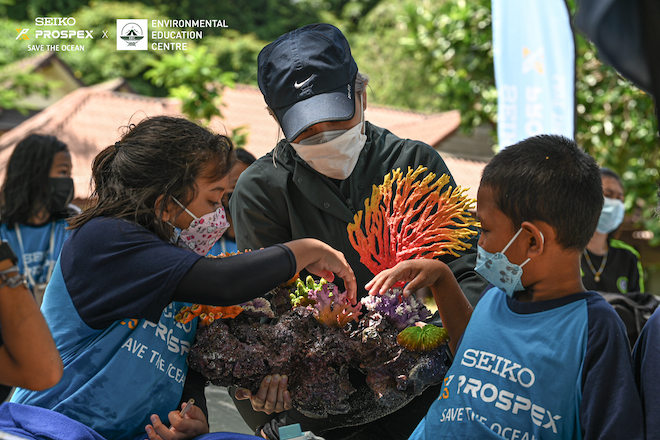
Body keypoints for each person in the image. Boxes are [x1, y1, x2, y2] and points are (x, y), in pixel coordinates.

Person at [9, 116, 357, 440]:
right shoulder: (104, 240)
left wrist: (193, 418)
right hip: (52, 425)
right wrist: (305, 250)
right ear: (165, 202)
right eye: (212, 199)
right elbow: (224, 283)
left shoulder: (183, 265)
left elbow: (184, 365)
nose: (220, 215)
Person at [230, 23, 487, 440]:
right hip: (317, 399)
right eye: (306, 129)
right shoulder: (262, 189)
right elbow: (260, 304)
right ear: (276, 119)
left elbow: (464, 273)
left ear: (361, 93)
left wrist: (438, 332)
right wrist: (271, 371)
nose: (326, 135)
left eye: (336, 117)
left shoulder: (414, 163)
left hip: (422, 381)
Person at [367, 135, 644, 439]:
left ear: (532, 241)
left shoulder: (595, 328)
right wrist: (443, 279)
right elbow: (471, 350)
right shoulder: (496, 296)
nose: (480, 243)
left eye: (484, 229)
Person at [0, 134, 79, 306]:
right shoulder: (2, 229)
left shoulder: (74, 223)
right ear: (37, 173)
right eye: (63, 171)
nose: (69, 180)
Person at [581, 167, 644, 294]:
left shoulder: (628, 257)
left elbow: (638, 307)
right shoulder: (565, 251)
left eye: (619, 199)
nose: (614, 203)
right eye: (608, 195)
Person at [209, 149, 256, 256]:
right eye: (236, 187)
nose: (244, 193)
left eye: (250, 187)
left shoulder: (265, 237)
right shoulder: (206, 240)